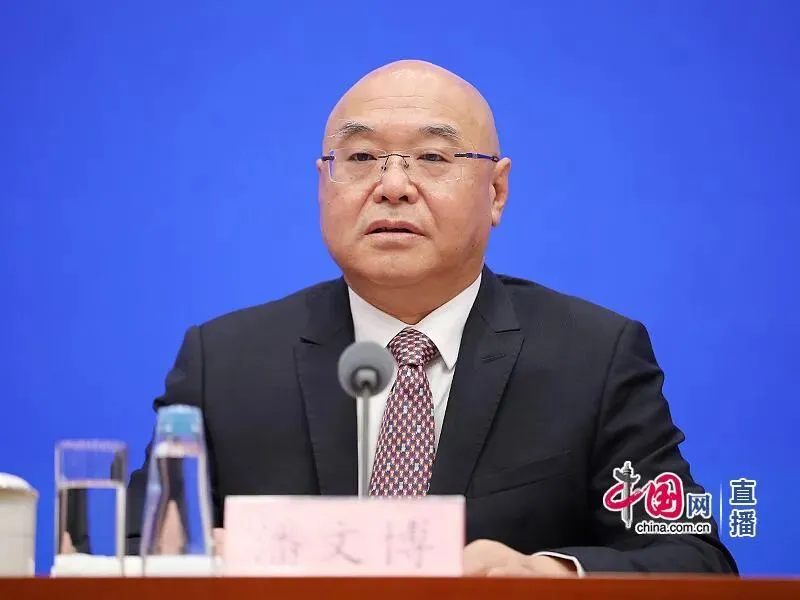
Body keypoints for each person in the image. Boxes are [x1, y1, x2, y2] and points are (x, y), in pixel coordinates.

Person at [126, 59, 737, 576]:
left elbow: (694, 557)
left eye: (432, 157)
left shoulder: (595, 358)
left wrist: (548, 574)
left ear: (496, 192)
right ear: (323, 184)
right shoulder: (223, 363)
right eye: (361, 156)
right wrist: (184, 559)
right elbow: (133, 550)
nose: (393, 186)